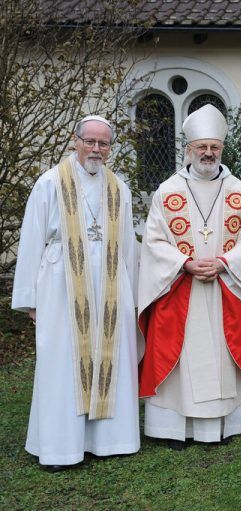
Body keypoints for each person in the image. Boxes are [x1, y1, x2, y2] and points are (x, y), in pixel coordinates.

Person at [138, 104, 241, 449]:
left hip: (223, 287)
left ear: (222, 150)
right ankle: (173, 429)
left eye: (215, 147)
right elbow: (153, 241)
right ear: (188, 149)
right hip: (180, 288)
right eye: (202, 147)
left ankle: (223, 426)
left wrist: (225, 262)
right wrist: (183, 263)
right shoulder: (167, 191)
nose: (209, 153)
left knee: (221, 352)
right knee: (180, 353)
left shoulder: (239, 191)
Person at [12, 115, 140, 471]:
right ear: (75, 140)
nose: (96, 150)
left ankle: (111, 442)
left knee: (111, 358)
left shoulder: (119, 188)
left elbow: (128, 242)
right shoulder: (50, 183)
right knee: (61, 365)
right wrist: (30, 299)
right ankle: (60, 449)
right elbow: (32, 238)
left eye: (103, 144)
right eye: (91, 142)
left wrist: (134, 296)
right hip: (60, 286)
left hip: (111, 286)